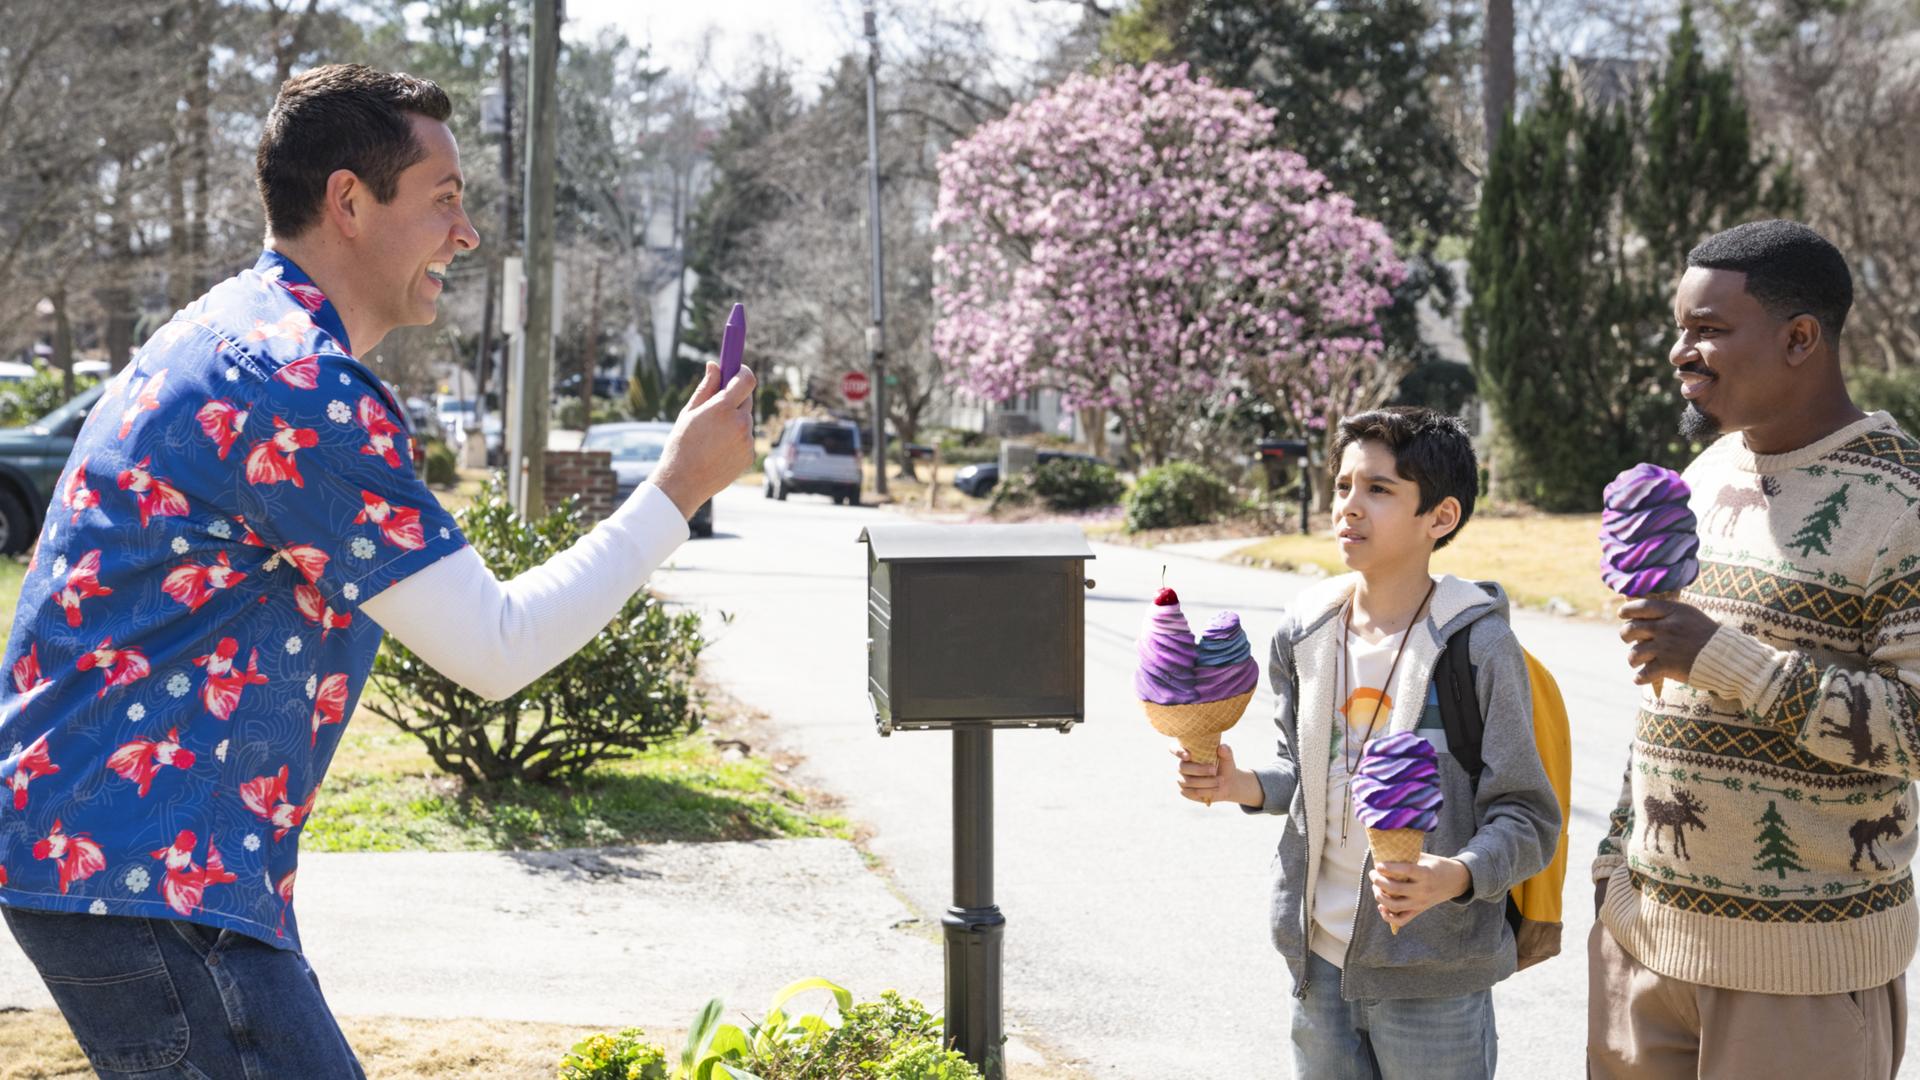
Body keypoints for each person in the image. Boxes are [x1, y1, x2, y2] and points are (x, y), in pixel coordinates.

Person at [0, 64, 754, 1078]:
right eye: (444, 200)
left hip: (120, 862)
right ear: (349, 201)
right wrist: (677, 488)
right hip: (148, 878)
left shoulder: (227, 330)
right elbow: (496, 646)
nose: (468, 232)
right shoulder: (296, 385)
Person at [1595, 219, 1911, 1079]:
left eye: (1708, 329)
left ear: (1800, 337)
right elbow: (1661, 681)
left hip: (1798, 979)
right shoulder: (1704, 476)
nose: (1679, 352)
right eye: (1679, 328)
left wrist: (1733, 662)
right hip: (1646, 944)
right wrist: (1612, 867)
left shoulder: (1903, 506)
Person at [1177, 407, 1559, 1079]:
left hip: (1434, 977)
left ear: (1440, 518)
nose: (1349, 507)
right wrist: (1241, 785)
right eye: (1344, 486)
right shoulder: (1304, 633)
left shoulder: (1479, 647)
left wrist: (1458, 873)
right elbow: (1307, 774)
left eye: (1379, 490)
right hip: (1318, 961)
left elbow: (1528, 816)